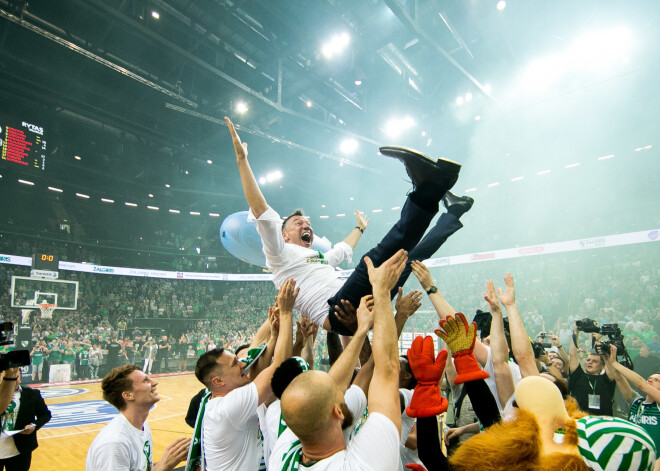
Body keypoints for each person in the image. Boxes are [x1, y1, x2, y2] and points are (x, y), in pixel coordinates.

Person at [226, 117, 470, 335]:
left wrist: (360, 229)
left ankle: (453, 212)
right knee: (370, 261)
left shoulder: (316, 259)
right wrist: (241, 161)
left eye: (307, 222)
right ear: (284, 235)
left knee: (411, 257)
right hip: (339, 311)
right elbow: (262, 212)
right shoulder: (278, 256)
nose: (306, 224)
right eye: (298, 222)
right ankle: (430, 188)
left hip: (357, 303)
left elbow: (341, 250)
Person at [269, 249, 407, 470]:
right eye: (339, 392)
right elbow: (388, 369)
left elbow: (345, 381)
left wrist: (361, 331)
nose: (343, 387)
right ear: (338, 412)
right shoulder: (366, 464)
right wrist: (381, 293)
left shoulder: (284, 450)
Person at [190, 280, 297, 471]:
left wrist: (274, 331)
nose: (242, 364)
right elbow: (279, 368)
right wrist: (287, 312)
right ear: (218, 381)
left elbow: (256, 350)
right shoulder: (227, 408)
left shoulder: (222, 399)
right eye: (235, 364)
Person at [86, 364, 190, 471]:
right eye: (145, 381)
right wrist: (164, 466)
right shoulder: (114, 443)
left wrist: (173, 458)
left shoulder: (142, 425)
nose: (154, 383)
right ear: (128, 395)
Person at [568, 323, 632, 416]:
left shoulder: (607, 379)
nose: (590, 362)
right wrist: (576, 332)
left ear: (602, 366)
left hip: (603, 424)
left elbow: (609, 361)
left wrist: (599, 340)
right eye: (588, 360)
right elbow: (573, 355)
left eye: (594, 361)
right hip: (580, 421)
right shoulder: (578, 376)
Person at [0, 370, 51, 470]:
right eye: (8, 376)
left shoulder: (32, 394)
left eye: (16, 375)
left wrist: (33, 425)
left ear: (20, 378)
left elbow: (45, 415)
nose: (12, 379)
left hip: (20, 451)